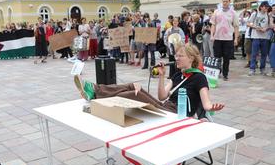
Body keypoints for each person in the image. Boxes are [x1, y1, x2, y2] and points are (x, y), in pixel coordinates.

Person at [74, 43, 224, 117]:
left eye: (180, 56)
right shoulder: (178, 75)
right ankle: (95, 91)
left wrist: (212, 108)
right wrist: (162, 76)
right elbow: (162, 97)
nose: (176, 58)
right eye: (176, 55)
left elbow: (206, 103)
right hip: (165, 106)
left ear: (191, 58)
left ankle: (96, 94)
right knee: (133, 87)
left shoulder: (199, 77)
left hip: (177, 114)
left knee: (135, 93)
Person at [210, 0, 239, 81]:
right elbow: (213, 24)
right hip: (217, 38)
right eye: (223, 1)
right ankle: (217, 72)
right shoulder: (216, 12)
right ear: (222, 1)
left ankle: (225, 74)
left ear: (229, 2)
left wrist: (236, 38)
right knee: (217, 57)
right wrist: (212, 35)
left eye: (226, 1)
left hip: (228, 39)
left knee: (226, 57)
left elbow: (236, 27)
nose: (225, 3)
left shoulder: (233, 13)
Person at [248, 1, 272, 76]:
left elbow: (270, 26)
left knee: (264, 54)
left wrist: (266, 28)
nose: (266, 9)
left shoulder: (268, 15)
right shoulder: (255, 14)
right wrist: (256, 27)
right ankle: (252, 69)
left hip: (264, 37)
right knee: (254, 53)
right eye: (265, 7)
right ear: (261, 7)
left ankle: (262, 68)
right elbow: (248, 23)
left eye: (267, 7)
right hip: (256, 36)